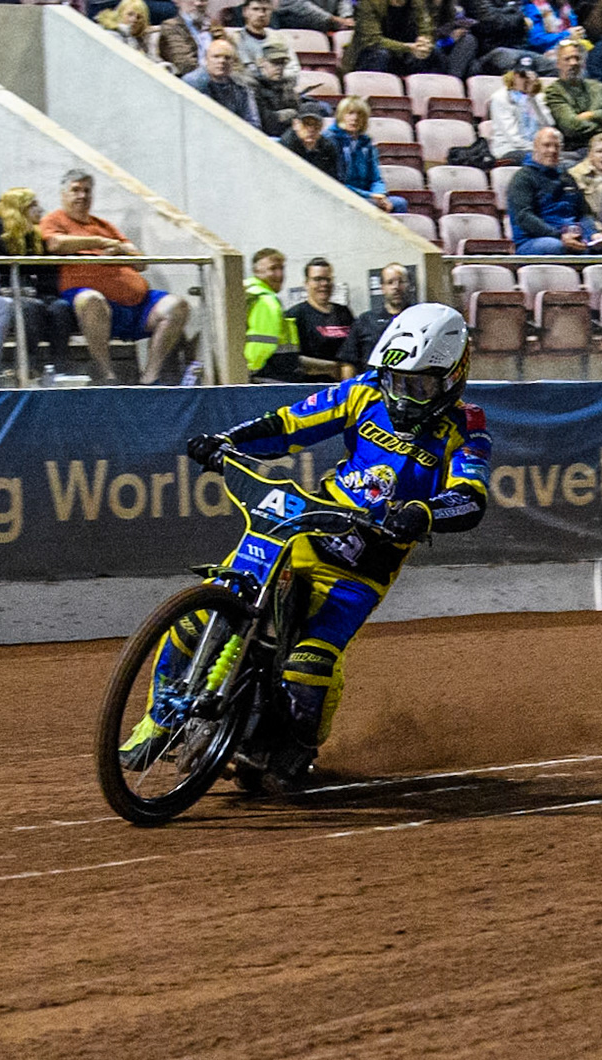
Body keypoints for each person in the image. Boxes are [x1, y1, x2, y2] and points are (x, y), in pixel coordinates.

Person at [150, 305, 489, 787]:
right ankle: (155, 721)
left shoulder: (467, 427)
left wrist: (422, 513)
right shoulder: (362, 392)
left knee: (309, 663)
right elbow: (288, 425)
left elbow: (470, 499)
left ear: (453, 377)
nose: (402, 394)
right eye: (394, 379)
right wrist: (226, 441)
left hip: (363, 563)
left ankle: (294, 748)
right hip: (307, 525)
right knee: (201, 613)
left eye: (418, 384)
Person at [38, 170, 191, 386]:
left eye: (86, 191)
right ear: (63, 194)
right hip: (89, 298)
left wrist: (121, 250)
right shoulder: (54, 219)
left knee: (178, 306)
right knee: (92, 300)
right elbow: (55, 244)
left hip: (138, 301)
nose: (82, 196)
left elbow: (140, 262)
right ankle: (106, 374)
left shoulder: (103, 224)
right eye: (75, 190)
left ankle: (150, 377)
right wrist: (99, 242)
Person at [0, 188, 75, 382]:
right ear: (19, 208)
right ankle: (27, 367)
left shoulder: (37, 237)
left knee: (61, 308)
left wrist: (44, 291)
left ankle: (59, 368)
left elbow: (48, 274)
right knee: (30, 308)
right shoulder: (1, 235)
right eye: (33, 205)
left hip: (38, 292)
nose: (40, 209)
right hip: (9, 291)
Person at [325, 98, 406, 214]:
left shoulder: (366, 143)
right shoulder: (330, 140)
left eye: (360, 114)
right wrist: (370, 195)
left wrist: (380, 195)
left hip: (369, 196)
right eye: (350, 113)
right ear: (341, 115)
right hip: (345, 195)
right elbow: (336, 182)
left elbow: (376, 178)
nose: (355, 118)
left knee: (399, 203)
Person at [339, 262, 413, 377]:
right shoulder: (365, 321)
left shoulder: (421, 318)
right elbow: (348, 363)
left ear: (409, 285)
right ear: (382, 287)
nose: (396, 287)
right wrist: (350, 392)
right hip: (372, 390)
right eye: (390, 282)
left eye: (401, 282)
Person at [285, 257, 354, 378]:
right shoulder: (295, 315)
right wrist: (332, 367)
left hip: (343, 388)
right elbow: (292, 360)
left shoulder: (344, 313)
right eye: (317, 279)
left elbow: (354, 350)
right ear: (306, 283)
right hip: (312, 389)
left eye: (327, 279)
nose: (324, 284)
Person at [243, 247, 304, 380]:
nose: (279, 274)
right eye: (273, 269)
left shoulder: (250, 294)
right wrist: (251, 371)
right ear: (256, 271)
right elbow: (261, 344)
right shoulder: (266, 301)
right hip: (269, 379)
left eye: (281, 268)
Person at [183, 37, 263, 131]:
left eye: (227, 58)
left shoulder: (242, 85)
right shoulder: (191, 83)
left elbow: (253, 123)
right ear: (206, 59)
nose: (222, 61)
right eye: (216, 56)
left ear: (233, 61)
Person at [489, 58, 555, 164]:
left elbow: (548, 125)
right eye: (522, 75)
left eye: (529, 76)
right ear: (514, 76)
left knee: (572, 158)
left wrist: (532, 98)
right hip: (509, 149)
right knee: (546, 160)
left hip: (537, 148)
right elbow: (514, 138)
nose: (525, 80)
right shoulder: (500, 98)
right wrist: (541, 149)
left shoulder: (538, 98)